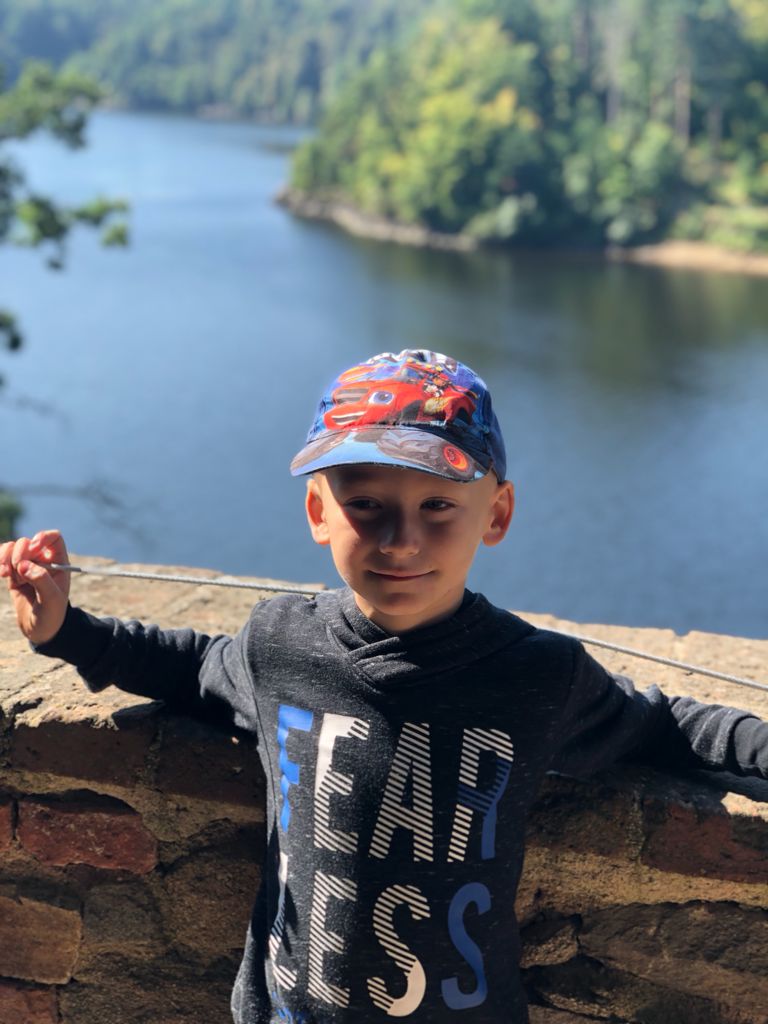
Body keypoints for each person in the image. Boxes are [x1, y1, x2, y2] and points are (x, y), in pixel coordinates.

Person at [1, 348, 766, 1024]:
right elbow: (191, 667)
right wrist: (66, 630)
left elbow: (668, 727)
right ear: (318, 512)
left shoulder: (537, 676)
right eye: (365, 505)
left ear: (496, 513)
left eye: (439, 506)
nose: (401, 540)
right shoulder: (279, 643)